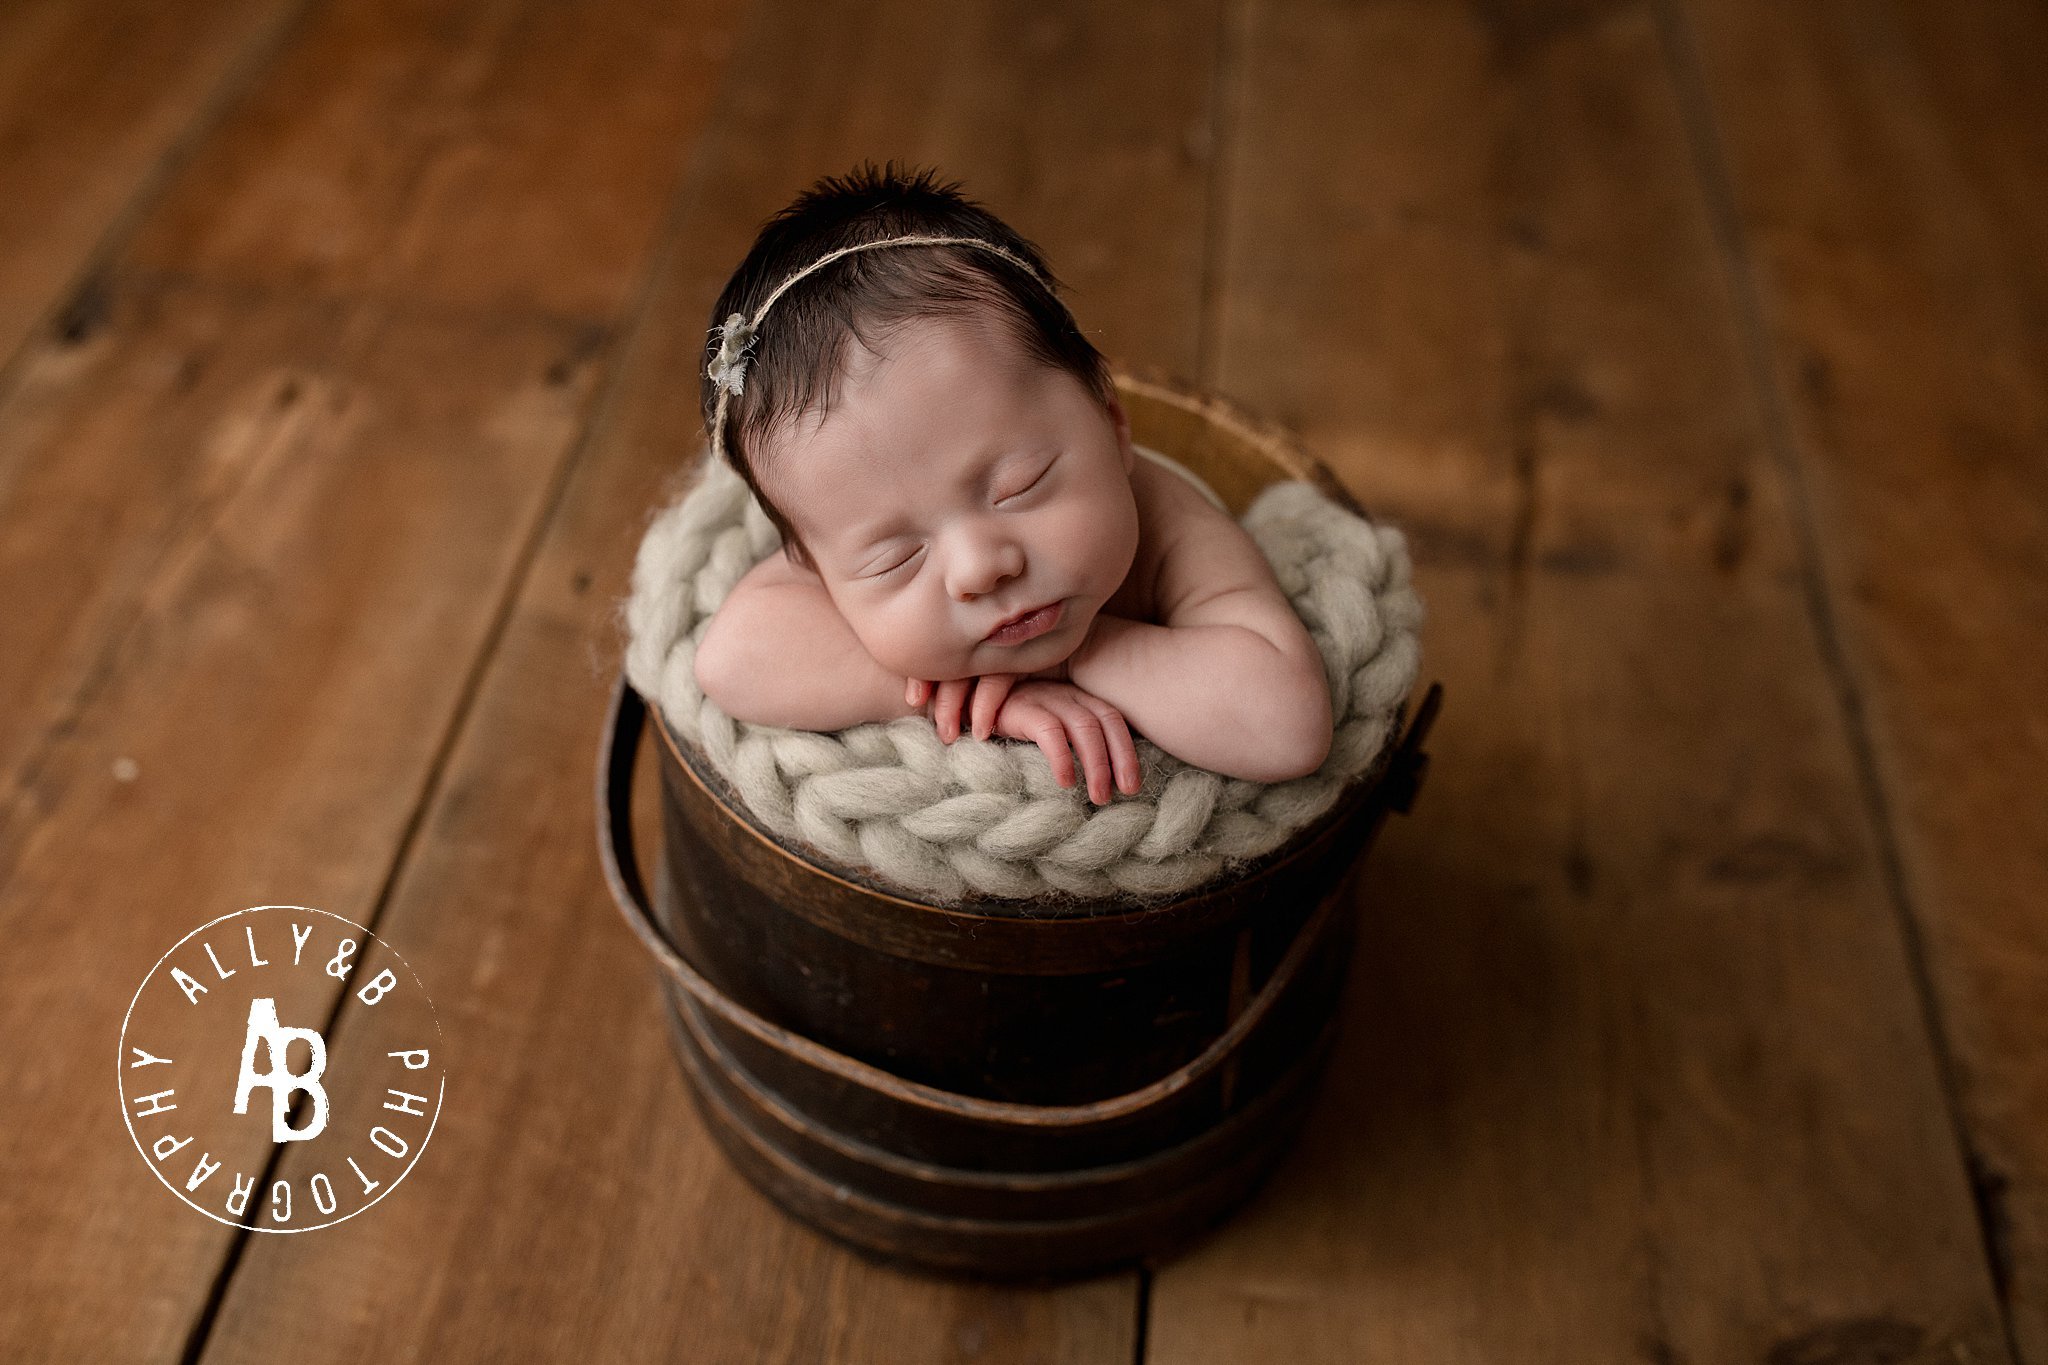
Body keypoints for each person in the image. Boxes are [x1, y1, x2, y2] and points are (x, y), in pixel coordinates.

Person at [691, 162, 1332, 804]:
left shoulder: (1172, 525)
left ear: (1112, 426)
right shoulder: (846, 510)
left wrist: (1080, 655)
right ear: (812, 564)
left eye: (1019, 487)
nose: (980, 568)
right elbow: (731, 660)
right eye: (897, 558)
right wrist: (964, 694)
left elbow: (1288, 726)